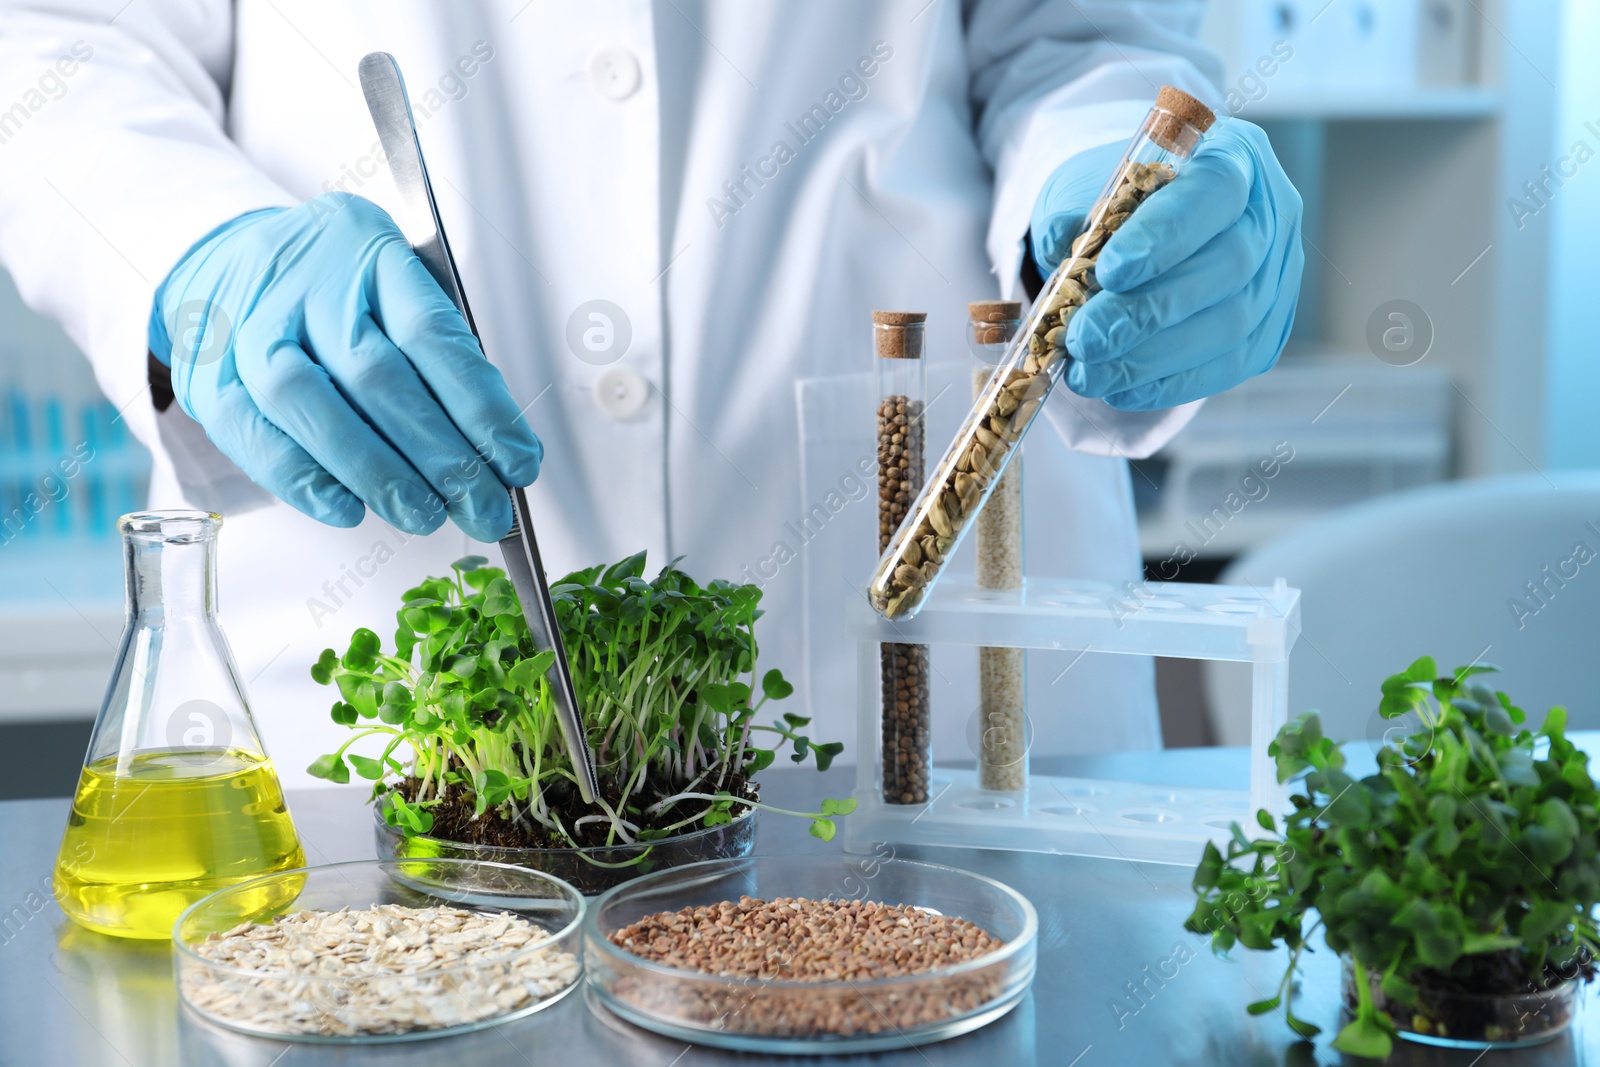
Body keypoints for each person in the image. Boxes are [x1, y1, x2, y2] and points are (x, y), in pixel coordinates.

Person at [0, 1, 1302, 785]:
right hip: (378, 622)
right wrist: (193, 257)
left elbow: (1080, 31)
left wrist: (1120, 182)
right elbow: (64, 45)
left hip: (932, 687)